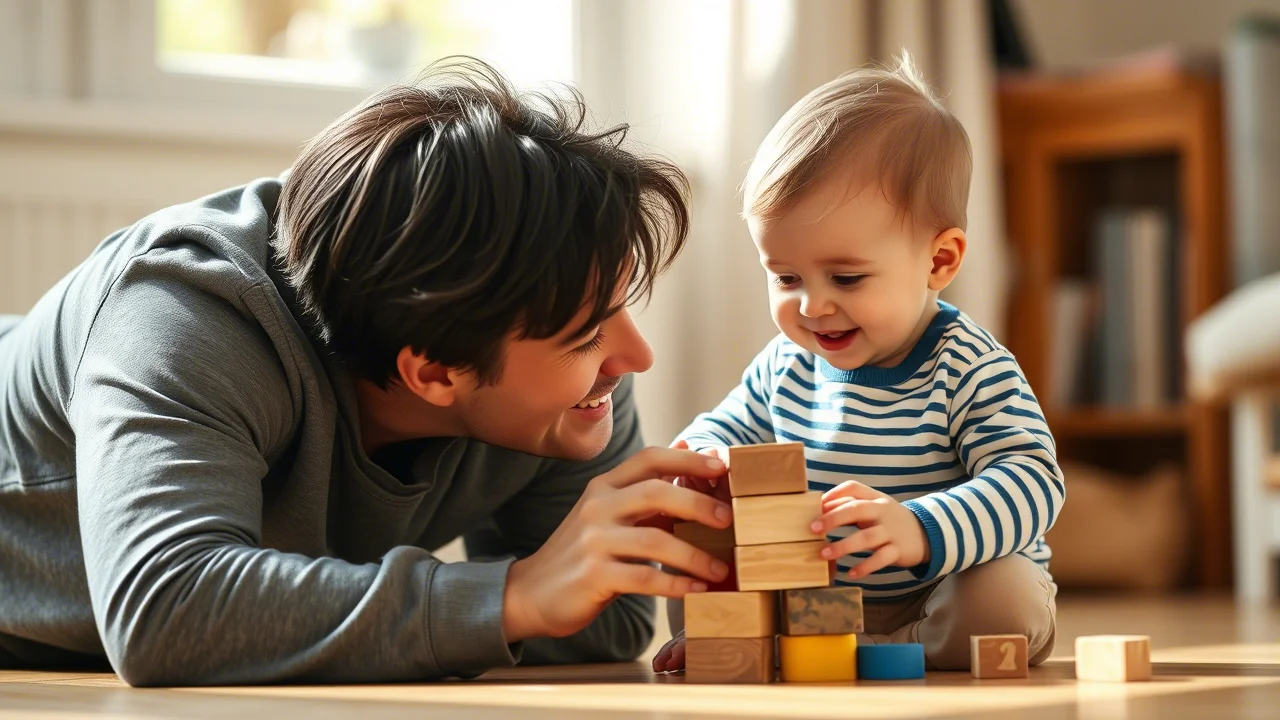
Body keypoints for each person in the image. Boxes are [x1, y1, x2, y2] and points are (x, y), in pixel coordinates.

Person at [0, 58, 736, 686]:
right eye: (586, 337)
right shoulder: (180, 316)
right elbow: (167, 607)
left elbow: (594, 627)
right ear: (435, 373)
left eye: (621, 307)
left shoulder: (542, 359)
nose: (637, 357)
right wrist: (511, 595)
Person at [653, 53, 1064, 673]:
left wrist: (922, 528)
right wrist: (698, 463)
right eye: (786, 276)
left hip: (934, 594)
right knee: (703, 531)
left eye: (846, 277)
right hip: (809, 597)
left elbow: (1034, 481)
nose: (812, 305)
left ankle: (898, 653)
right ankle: (731, 635)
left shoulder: (970, 367)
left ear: (940, 262)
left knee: (1005, 594)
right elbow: (726, 431)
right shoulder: (784, 365)